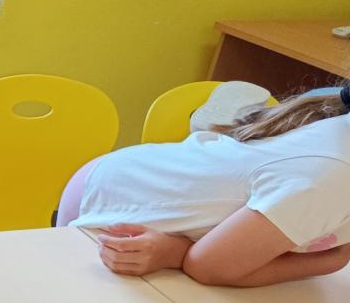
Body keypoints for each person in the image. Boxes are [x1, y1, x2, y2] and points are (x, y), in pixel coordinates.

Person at [61, 81, 350, 286]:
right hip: (116, 204)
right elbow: (210, 267)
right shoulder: (331, 178)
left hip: (137, 181)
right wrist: (331, 261)